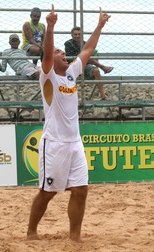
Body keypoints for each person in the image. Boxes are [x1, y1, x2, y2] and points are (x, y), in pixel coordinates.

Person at [26, 5, 111, 242]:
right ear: (50, 59)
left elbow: (87, 49)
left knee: (81, 190)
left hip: (74, 142)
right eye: (58, 52)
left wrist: (100, 26)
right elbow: (45, 55)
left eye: (64, 52)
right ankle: (32, 231)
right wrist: (51, 27)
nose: (63, 53)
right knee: (47, 192)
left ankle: (75, 237)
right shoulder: (48, 76)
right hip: (54, 143)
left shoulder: (71, 74)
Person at [64, 26, 114, 100]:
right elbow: (78, 56)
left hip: (86, 65)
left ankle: (103, 96)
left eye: (79, 34)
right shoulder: (68, 43)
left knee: (96, 71)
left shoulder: (85, 43)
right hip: (73, 65)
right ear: (72, 35)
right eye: (75, 34)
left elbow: (91, 53)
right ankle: (103, 67)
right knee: (86, 56)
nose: (77, 36)